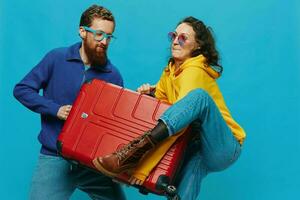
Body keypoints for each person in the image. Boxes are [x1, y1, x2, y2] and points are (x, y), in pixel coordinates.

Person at [93, 16, 246, 199]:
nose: (175, 41)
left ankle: (131, 154)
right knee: (182, 189)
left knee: (200, 97)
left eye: (183, 38)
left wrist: (142, 168)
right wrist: (150, 94)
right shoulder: (171, 71)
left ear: (197, 45)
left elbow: (179, 125)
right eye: (173, 35)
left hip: (223, 145)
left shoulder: (194, 71)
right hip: (199, 147)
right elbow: (164, 113)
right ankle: (132, 158)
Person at [13, 4, 126, 200]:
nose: (104, 41)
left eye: (109, 36)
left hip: (92, 164)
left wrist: (117, 166)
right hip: (55, 158)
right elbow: (22, 90)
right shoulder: (56, 58)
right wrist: (55, 109)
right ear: (82, 31)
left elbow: (115, 126)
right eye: (99, 34)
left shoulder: (113, 75)